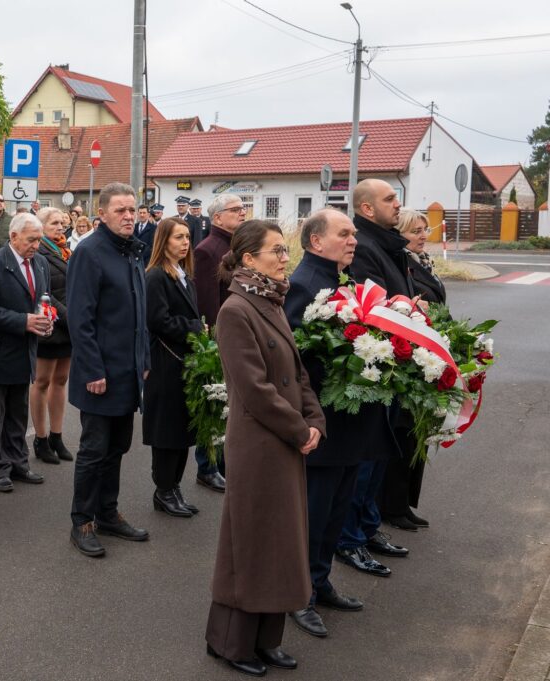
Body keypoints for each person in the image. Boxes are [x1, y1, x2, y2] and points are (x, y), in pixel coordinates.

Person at [205, 219, 324, 677]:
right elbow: (254, 389)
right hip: (259, 442)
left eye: (283, 250)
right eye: (276, 250)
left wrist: (314, 420)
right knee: (252, 542)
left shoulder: (270, 300)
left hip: (284, 439)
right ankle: (230, 643)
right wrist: (299, 429)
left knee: (280, 542)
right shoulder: (236, 310)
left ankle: (266, 639)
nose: (284, 258)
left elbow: (297, 373)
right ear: (249, 258)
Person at [283, 208, 384, 639]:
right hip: (322, 422)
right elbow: (294, 358)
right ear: (316, 241)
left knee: (335, 511)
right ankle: (298, 594)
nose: (353, 240)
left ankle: (320, 581)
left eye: (354, 234)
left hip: (348, 422)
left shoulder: (341, 280)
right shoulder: (305, 284)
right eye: (344, 233)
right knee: (313, 513)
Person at [66, 182, 150, 558]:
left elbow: (140, 315)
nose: (129, 216)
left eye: (132, 209)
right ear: (101, 214)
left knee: (117, 447)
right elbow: (80, 319)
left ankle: (108, 512)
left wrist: (144, 361)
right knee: (94, 450)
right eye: (120, 210)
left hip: (127, 371)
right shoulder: (90, 252)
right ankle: (82, 521)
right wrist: (92, 370)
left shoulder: (132, 250)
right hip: (99, 374)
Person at [335, 178, 411, 577]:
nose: (397, 204)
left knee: (380, 455)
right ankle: (350, 539)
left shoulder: (386, 242)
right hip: (375, 369)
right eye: (390, 198)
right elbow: (374, 309)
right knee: (365, 460)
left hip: (393, 366)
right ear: (367, 208)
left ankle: (367, 527)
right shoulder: (365, 246)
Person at [379, 209, 444, 531]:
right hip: (410, 356)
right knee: (404, 434)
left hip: (426, 352)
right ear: (400, 234)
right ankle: (393, 505)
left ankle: (403, 503)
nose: (423, 235)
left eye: (424, 229)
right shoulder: (400, 263)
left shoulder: (421, 262)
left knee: (416, 432)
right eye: (415, 230)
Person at [0, 212, 50, 492]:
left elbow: (42, 300)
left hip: (25, 351)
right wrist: (23, 321)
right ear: (13, 236)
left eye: (39, 240)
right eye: (31, 240)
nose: (36, 245)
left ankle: (19, 463)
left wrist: (46, 320)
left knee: (18, 414)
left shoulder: (40, 263)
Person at [142, 217, 203, 518]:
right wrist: (195, 327)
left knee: (181, 428)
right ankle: (164, 489)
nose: (185, 243)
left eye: (187, 237)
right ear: (163, 241)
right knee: (167, 430)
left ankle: (174, 487)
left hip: (183, 362)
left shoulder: (183, 275)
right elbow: (157, 320)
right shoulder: (156, 276)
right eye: (178, 237)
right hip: (165, 363)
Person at [192, 193, 247, 493]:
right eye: (236, 209)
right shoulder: (207, 250)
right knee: (215, 401)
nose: (243, 213)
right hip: (220, 337)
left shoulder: (237, 247)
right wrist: (214, 340)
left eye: (243, 208)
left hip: (239, 333)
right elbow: (208, 301)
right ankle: (208, 466)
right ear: (217, 217)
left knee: (232, 403)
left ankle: (226, 462)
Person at [30, 208, 73, 464]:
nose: (60, 227)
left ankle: (57, 436)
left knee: (61, 379)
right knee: (42, 381)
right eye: (54, 223)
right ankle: (41, 438)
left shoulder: (66, 250)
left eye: (62, 222)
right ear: (42, 226)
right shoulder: (39, 253)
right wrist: (71, 317)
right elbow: (43, 292)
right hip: (50, 324)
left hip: (68, 327)